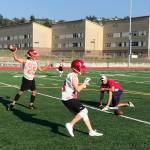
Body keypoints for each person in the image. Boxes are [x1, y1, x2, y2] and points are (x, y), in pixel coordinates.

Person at [61, 59, 103, 137]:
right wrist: (84, 84)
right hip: (68, 99)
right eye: (81, 67)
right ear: (76, 68)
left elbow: (73, 86)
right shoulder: (73, 76)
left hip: (67, 98)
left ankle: (91, 131)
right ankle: (70, 124)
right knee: (84, 111)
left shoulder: (71, 75)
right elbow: (77, 89)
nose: (82, 69)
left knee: (84, 114)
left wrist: (83, 84)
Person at [7, 44, 49, 111]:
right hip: (26, 79)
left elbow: (41, 70)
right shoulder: (26, 61)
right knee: (21, 92)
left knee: (34, 91)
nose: (36, 55)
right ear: (30, 55)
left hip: (32, 79)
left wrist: (47, 65)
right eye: (34, 54)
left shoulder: (35, 62)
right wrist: (14, 52)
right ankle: (12, 104)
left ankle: (31, 105)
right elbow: (16, 59)